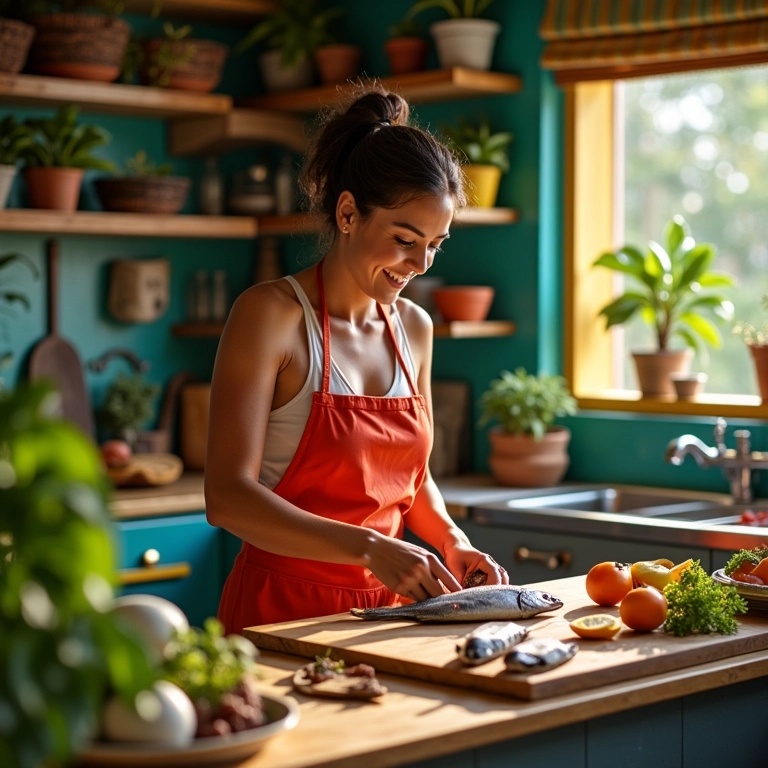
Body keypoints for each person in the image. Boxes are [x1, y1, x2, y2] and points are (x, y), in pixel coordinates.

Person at [206, 85, 508, 634]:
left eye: (435, 244)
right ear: (348, 213)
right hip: (277, 617)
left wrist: (451, 540)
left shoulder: (415, 328)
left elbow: (411, 479)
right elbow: (227, 498)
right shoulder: (270, 315)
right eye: (405, 239)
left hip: (387, 617)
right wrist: (371, 548)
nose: (421, 263)